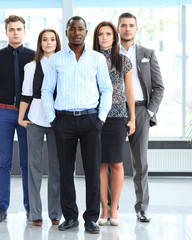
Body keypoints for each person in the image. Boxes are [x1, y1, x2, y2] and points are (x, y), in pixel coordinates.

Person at [41, 16, 113, 234]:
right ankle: (70, 217)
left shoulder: (97, 59)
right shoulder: (56, 59)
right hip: (63, 121)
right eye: (72, 29)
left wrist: (100, 118)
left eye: (80, 28)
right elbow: (46, 90)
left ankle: (91, 218)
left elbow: (106, 90)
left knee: (92, 171)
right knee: (65, 172)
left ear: (86, 31)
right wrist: (53, 119)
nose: (76, 32)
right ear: (67, 33)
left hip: (91, 120)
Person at [0, 15, 35, 223]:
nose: (16, 32)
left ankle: (31, 207)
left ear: (24, 31)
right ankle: (2, 208)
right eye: (12, 29)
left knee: (27, 162)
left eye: (19, 29)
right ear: (6, 32)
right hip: (2, 113)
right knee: (4, 163)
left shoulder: (33, 55)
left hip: (27, 115)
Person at [117, 12, 164, 222]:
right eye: (123, 25)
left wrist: (148, 112)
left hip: (141, 111)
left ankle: (142, 207)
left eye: (131, 25)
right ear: (118, 29)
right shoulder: (108, 53)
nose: (127, 29)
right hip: (115, 111)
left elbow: (159, 87)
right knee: (112, 162)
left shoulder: (148, 53)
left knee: (141, 163)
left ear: (136, 29)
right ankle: (111, 207)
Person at [18, 29, 62, 226]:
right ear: (40, 43)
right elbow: (26, 94)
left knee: (56, 167)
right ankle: (35, 213)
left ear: (57, 42)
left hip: (58, 121)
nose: (48, 42)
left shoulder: (64, 64)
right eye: (45, 39)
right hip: (35, 119)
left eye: (52, 39)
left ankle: (55, 213)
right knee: (34, 167)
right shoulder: (31, 66)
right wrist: (21, 118)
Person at [93, 21, 135, 226]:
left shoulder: (123, 61)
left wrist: (132, 118)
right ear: (96, 37)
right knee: (100, 163)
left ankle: (115, 208)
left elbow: (129, 92)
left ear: (114, 36)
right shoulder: (89, 58)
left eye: (108, 34)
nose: (104, 37)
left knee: (117, 163)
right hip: (95, 116)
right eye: (100, 34)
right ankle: (104, 209)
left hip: (118, 116)